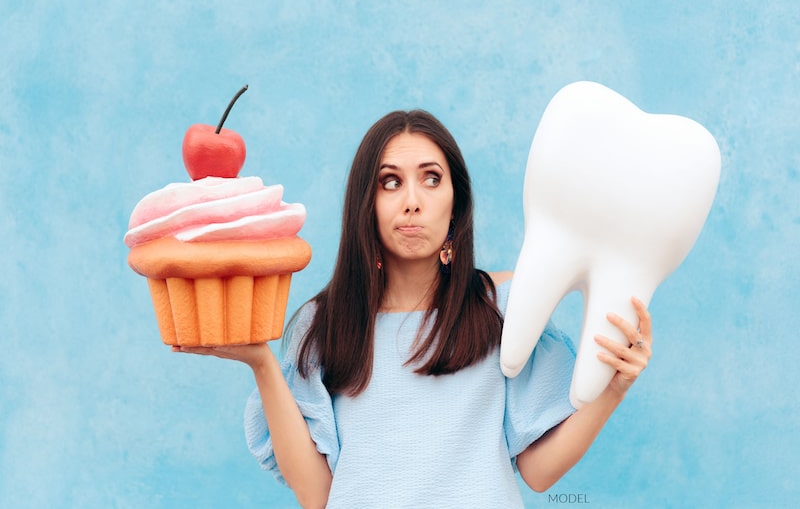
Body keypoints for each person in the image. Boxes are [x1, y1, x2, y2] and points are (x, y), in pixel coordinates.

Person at [175, 109, 653, 508]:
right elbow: (318, 494)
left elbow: (538, 471)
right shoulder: (323, 326)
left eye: (431, 179)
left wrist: (613, 388)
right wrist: (261, 362)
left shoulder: (505, 308)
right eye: (389, 182)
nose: (412, 202)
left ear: (455, 202)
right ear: (366, 204)